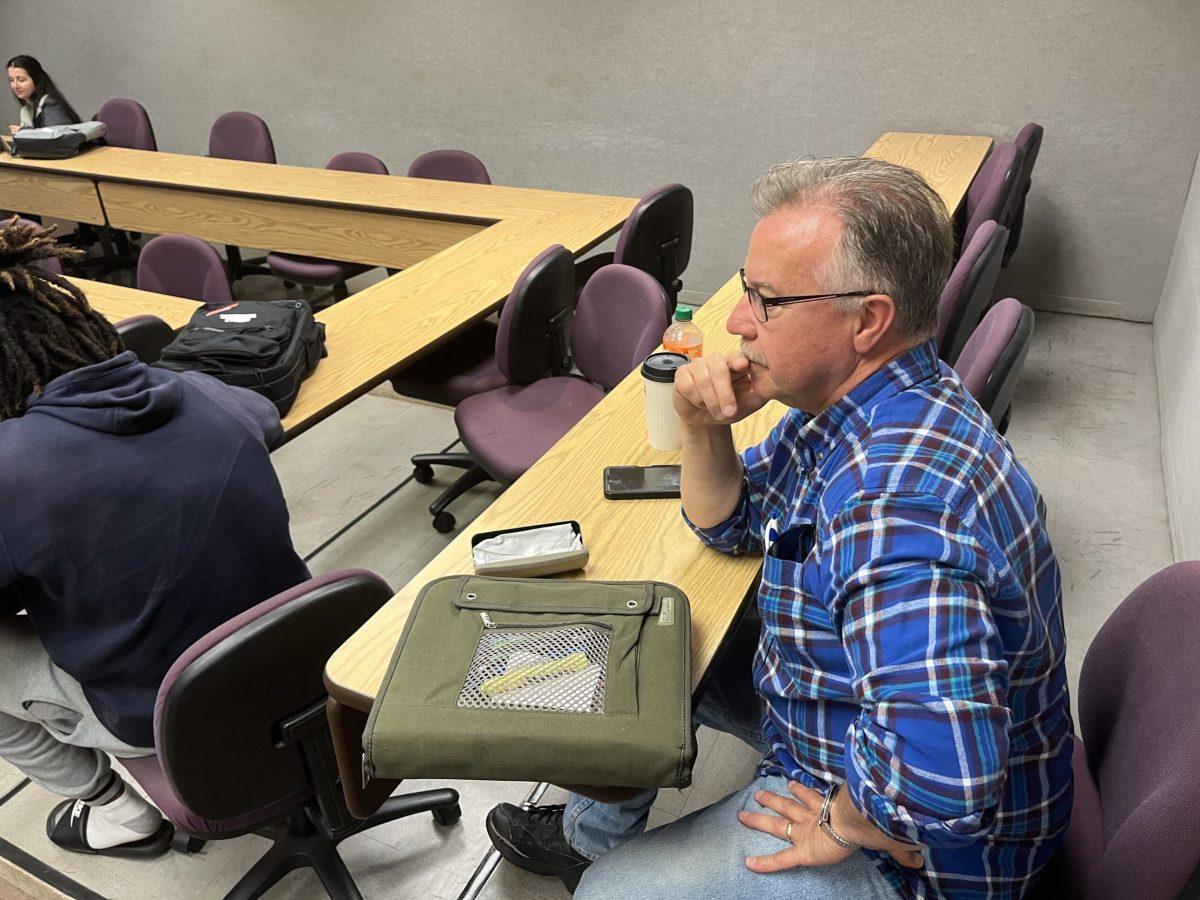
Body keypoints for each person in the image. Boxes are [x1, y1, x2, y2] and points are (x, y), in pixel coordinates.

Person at [485, 158, 1073, 899]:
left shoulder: (893, 507)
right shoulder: (864, 403)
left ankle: (599, 862)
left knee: (613, 892)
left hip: (929, 858)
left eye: (766, 301)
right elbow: (732, 524)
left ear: (868, 321)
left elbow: (947, 775)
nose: (736, 321)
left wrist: (843, 821)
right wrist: (702, 429)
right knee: (654, 649)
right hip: (842, 710)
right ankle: (585, 835)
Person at [0, 218, 310, 858]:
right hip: (297, 657)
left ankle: (115, 812)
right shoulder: (204, 392)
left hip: (163, 709)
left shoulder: (12, 473)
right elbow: (266, 419)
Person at [7, 54, 80, 133]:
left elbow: (56, 136)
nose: (15, 86)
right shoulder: (27, 109)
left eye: (21, 80)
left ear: (36, 79)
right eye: (11, 80)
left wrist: (25, 132)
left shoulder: (50, 103)